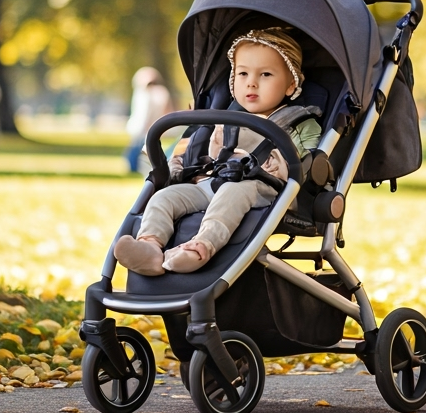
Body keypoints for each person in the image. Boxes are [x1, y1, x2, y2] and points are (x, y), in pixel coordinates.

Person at [113, 28, 322, 276]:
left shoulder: (300, 123)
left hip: (263, 189)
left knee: (234, 192)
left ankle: (201, 246)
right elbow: (207, 155)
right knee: (164, 197)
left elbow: (306, 164)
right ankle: (149, 247)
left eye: (265, 74)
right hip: (214, 183)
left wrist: (270, 162)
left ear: (291, 85)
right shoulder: (224, 118)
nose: (251, 82)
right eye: (243, 73)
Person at [124, 67, 175, 173]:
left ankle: (134, 166)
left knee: (139, 147)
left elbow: (143, 114)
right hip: (152, 125)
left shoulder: (145, 94)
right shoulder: (162, 93)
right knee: (146, 148)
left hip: (144, 127)